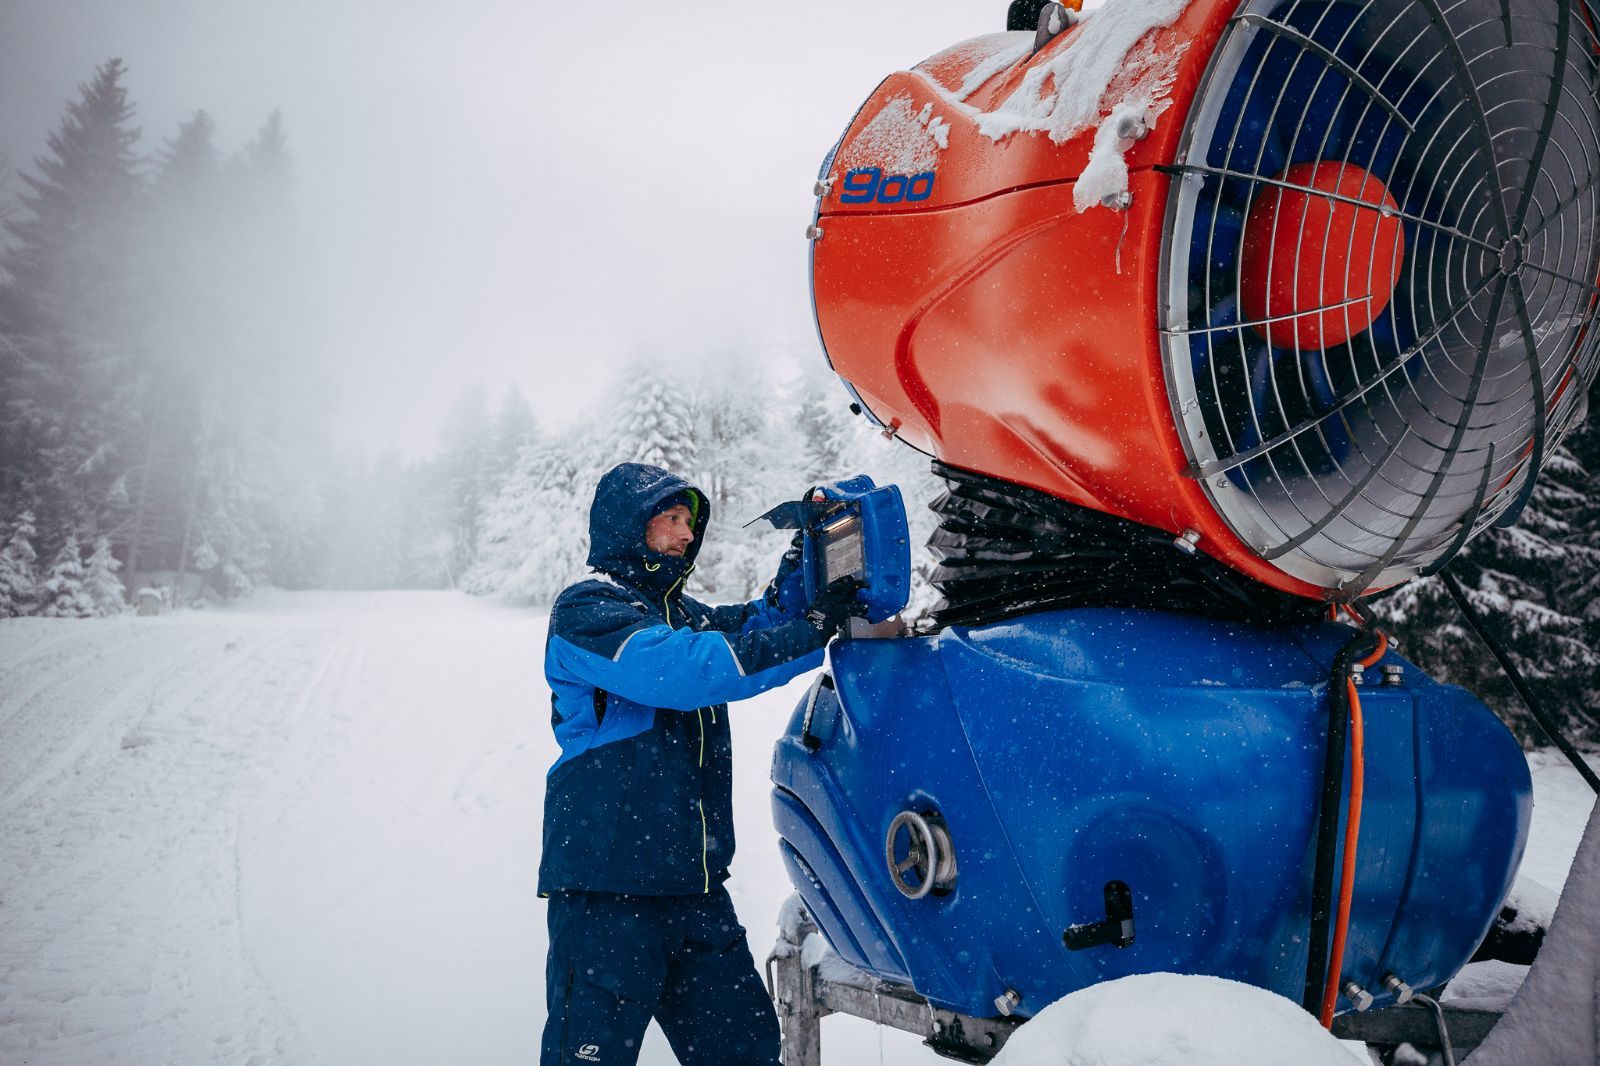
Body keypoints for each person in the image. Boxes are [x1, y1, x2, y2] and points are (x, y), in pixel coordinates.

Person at [539, 461, 864, 1066]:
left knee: (745, 1051)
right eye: (671, 518)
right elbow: (689, 671)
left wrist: (807, 563)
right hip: (608, 894)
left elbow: (759, 623)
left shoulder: (685, 617)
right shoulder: (587, 612)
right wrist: (811, 632)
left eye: (690, 520)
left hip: (696, 891)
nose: (687, 534)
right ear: (627, 527)